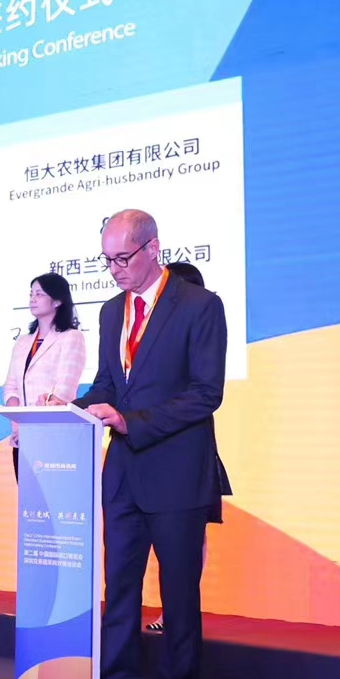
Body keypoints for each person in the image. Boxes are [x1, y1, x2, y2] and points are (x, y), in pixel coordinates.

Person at [74, 209, 226, 679]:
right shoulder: (111, 311)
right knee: (118, 592)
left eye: (123, 258)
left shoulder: (200, 306)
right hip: (123, 475)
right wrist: (72, 407)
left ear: (153, 249)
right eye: (107, 260)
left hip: (177, 473)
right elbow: (108, 383)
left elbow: (206, 393)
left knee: (178, 597)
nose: (114, 269)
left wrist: (130, 422)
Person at [145, 260, 231, 634]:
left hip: (190, 452)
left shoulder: (203, 319)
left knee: (191, 536)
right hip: (149, 450)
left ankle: (175, 612)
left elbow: (205, 394)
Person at [2, 272, 87, 477]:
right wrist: (19, 426)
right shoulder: (22, 342)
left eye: (39, 294)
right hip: (22, 438)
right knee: (27, 496)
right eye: (31, 294)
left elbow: (63, 392)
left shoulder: (71, 337)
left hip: (54, 437)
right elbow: (11, 387)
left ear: (57, 301)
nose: (33, 299)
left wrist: (32, 429)